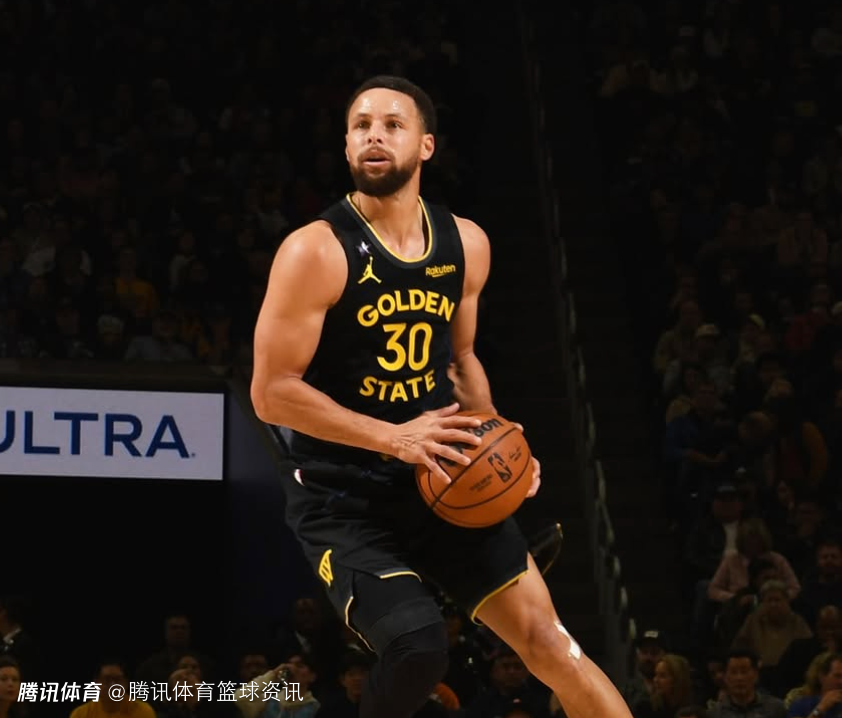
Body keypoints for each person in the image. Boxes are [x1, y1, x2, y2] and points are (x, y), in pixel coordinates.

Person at [251, 75, 636, 718]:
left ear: (426, 145)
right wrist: (393, 437)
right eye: (360, 125)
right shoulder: (314, 251)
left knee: (552, 645)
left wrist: (498, 440)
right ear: (346, 145)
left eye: (392, 124)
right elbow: (271, 393)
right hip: (343, 495)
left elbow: (461, 361)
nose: (373, 135)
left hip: (443, 476)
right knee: (418, 647)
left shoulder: (466, 244)